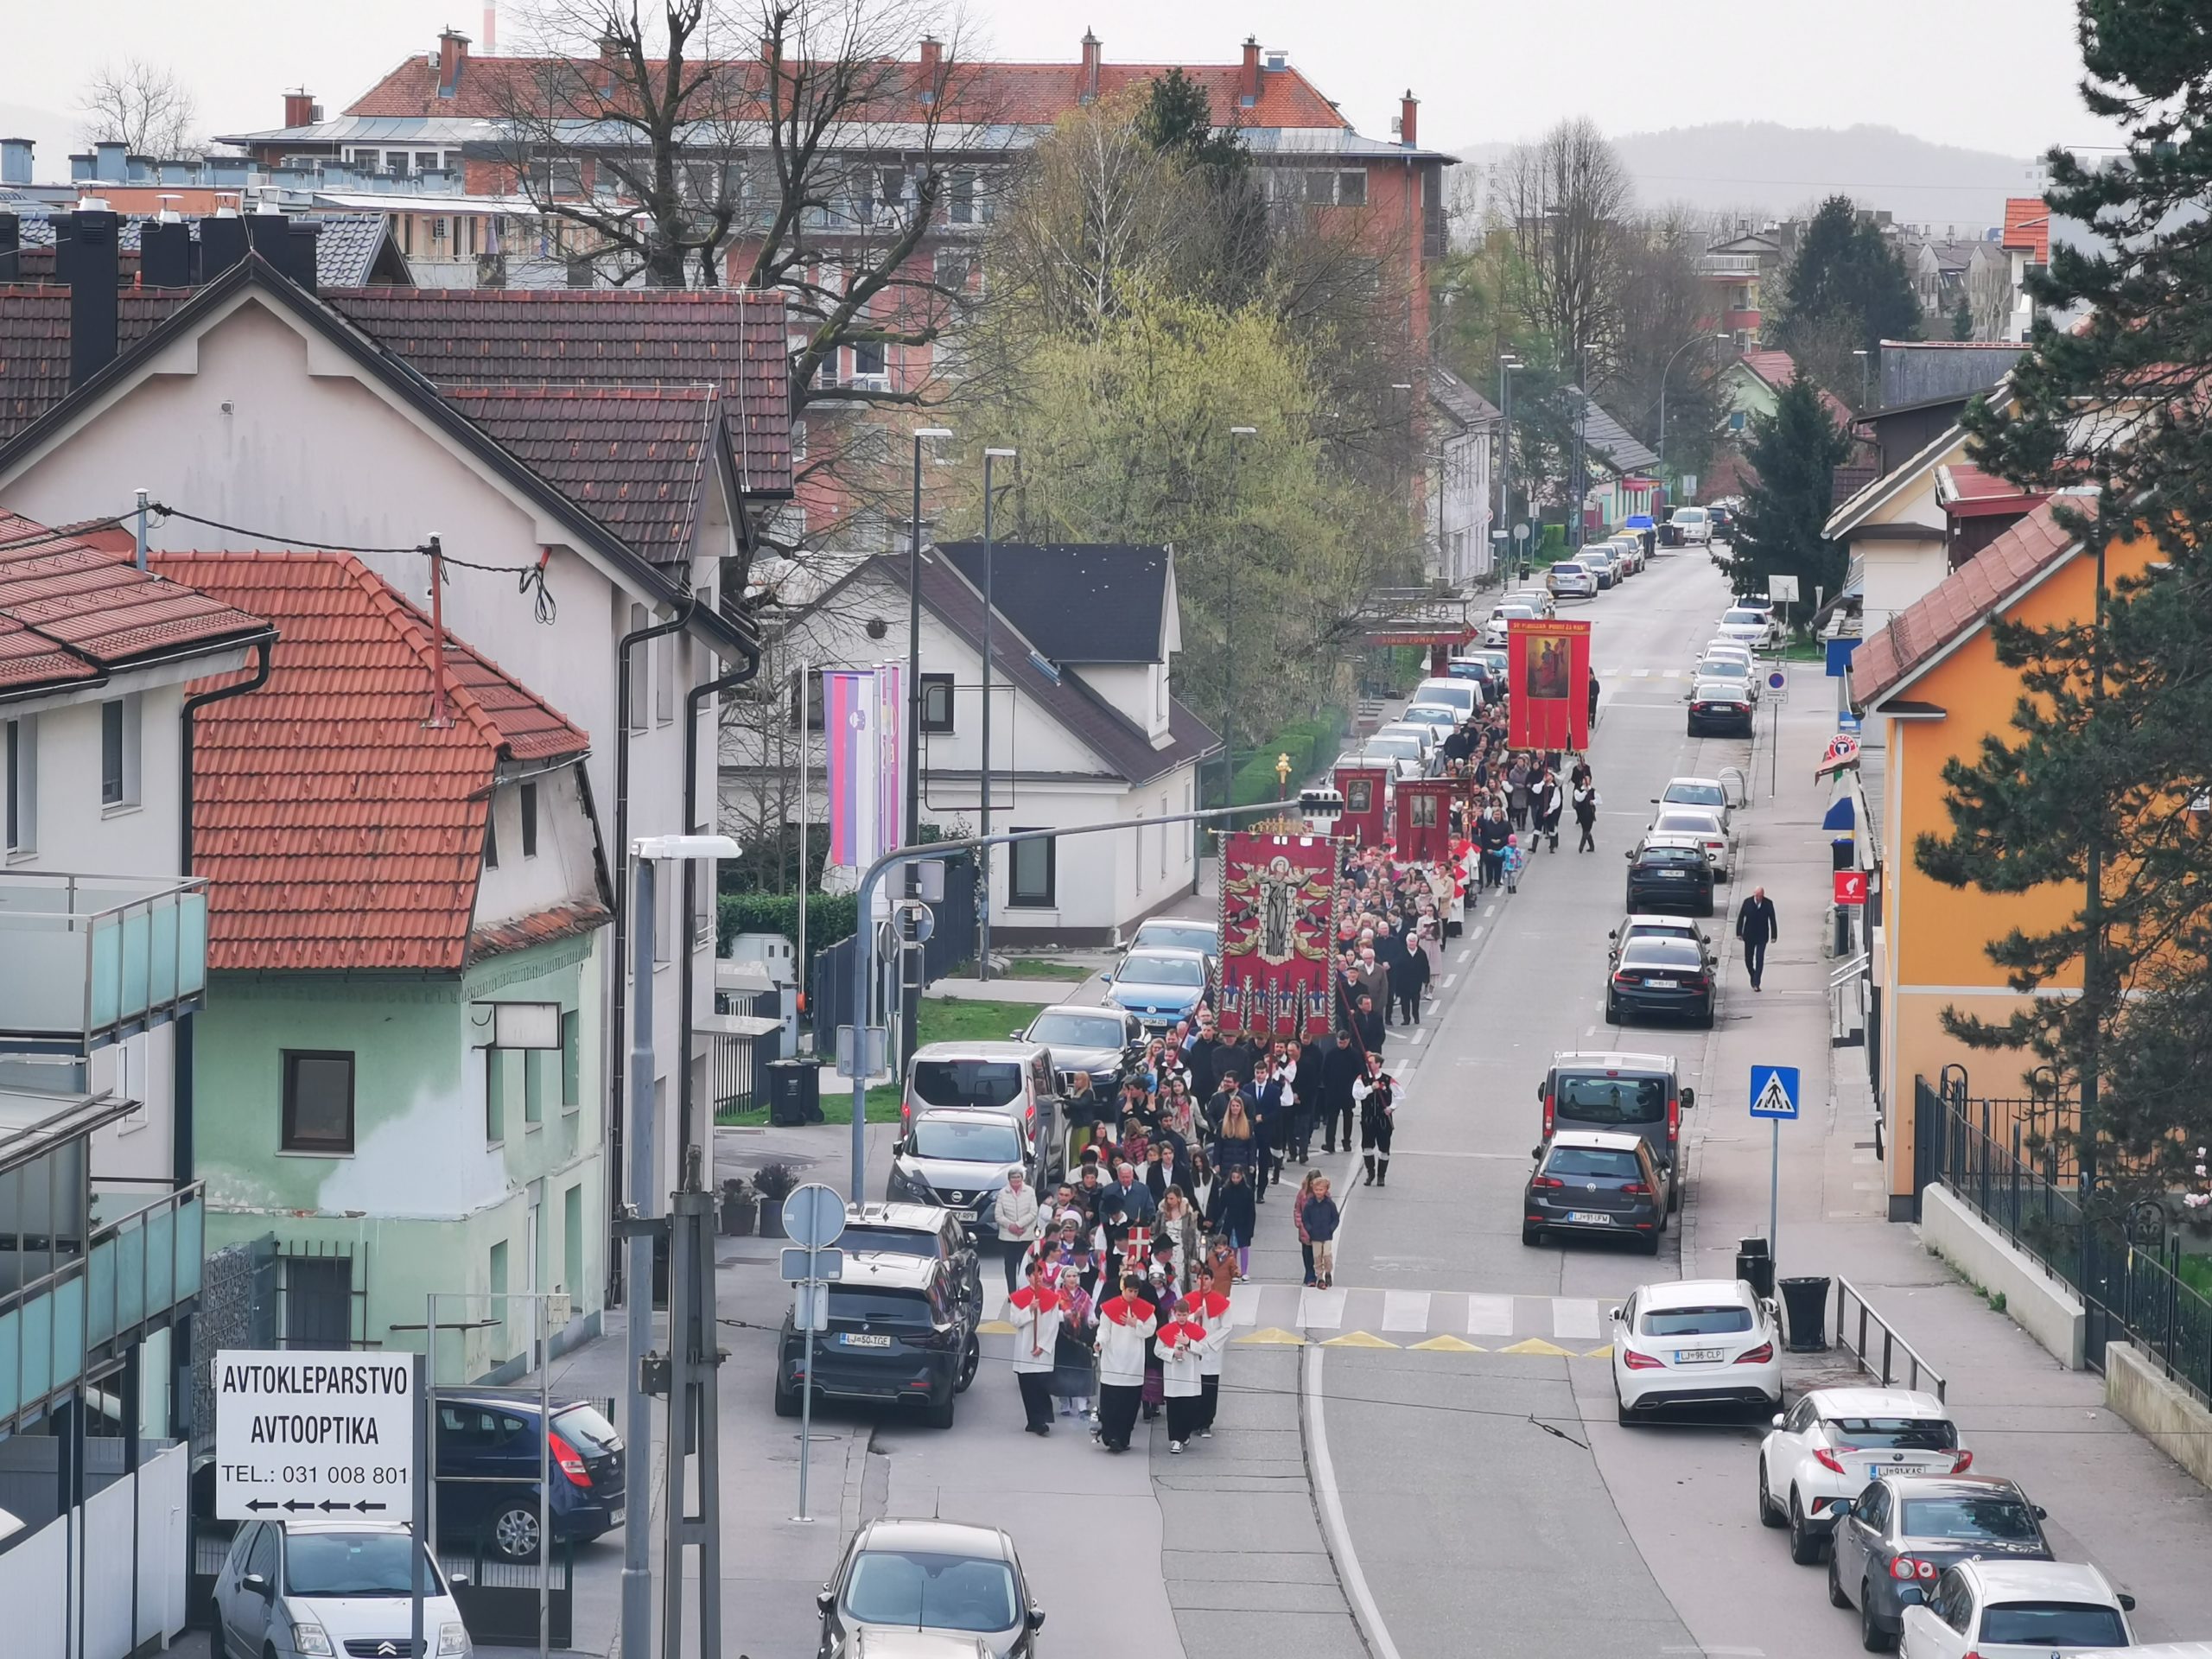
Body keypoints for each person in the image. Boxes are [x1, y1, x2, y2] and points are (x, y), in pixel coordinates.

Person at [1092, 1275, 1156, 1453]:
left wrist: (1137, 1324)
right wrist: (1099, 1342)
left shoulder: (1145, 1308)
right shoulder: (1109, 1307)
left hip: (1133, 1362)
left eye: (1136, 1291)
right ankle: (1111, 1437)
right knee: (1111, 1404)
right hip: (1113, 1361)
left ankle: (1124, 1438)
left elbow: (1150, 1330)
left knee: (1129, 1405)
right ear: (1123, 1289)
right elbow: (1104, 1330)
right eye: (1130, 1291)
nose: (1133, 1295)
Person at [1007, 1261, 1067, 1435]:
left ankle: (1041, 1421)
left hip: (1043, 1350)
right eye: (1034, 1274)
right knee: (1028, 1387)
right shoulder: (1019, 1297)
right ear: (1028, 1277)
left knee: (1041, 1386)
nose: (1038, 1277)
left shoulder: (1051, 1297)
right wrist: (1029, 1309)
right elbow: (1015, 1321)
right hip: (1025, 1348)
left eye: (1040, 1274)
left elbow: (1053, 1325)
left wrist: (1042, 1345)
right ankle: (1032, 1420)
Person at [1188, 1270, 1234, 1438]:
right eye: (1201, 1278)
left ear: (1212, 1281)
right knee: (1193, 1388)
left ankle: (1206, 1423)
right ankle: (1192, 1421)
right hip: (1193, 1349)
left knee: (1209, 1388)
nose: (1203, 1282)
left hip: (1211, 1350)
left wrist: (1209, 1342)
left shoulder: (1220, 1302)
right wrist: (1195, 1315)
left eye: (1206, 1278)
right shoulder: (1189, 1299)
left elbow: (1227, 1326)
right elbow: (1179, 1320)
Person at [1157, 1308, 1207, 1453]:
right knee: (1174, 1411)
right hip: (1173, 1378)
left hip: (1190, 1378)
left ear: (1188, 1314)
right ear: (1175, 1314)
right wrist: (1172, 1352)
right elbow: (1157, 1350)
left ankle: (1184, 1435)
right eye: (1179, 1315)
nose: (1181, 1318)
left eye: (1184, 1315)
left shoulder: (1196, 1330)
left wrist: (1189, 1342)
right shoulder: (1167, 1330)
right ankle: (1176, 1440)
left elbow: (1204, 1349)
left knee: (1189, 1410)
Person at [992, 1167, 1040, 1294]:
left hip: (1026, 1235)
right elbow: (998, 1215)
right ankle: (1012, 1293)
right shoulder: (1003, 1193)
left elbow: (1033, 1212)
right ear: (1009, 1180)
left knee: (1025, 1266)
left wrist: (1019, 1225)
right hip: (1008, 1237)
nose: (1016, 1180)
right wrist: (1011, 1226)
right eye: (1013, 1178)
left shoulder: (1030, 1191)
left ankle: (1024, 1292)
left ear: (1022, 1178)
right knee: (1010, 1266)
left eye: (1018, 1177)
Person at [1206, 1164, 1257, 1281]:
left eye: (1237, 1177)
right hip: (1230, 1222)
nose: (1235, 1180)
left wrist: (1251, 1228)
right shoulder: (1226, 1190)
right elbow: (1221, 1207)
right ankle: (1234, 1271)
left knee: (1244, 1248)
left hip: (1243, 1222)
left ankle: (1244, 1272)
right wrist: (1213, 1220)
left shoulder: (1247, 1191)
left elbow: (1251, 1211)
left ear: (1242, 1177)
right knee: (1232, 1248)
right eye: (1233, 1177)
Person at [1354, 1058, 1397, 1186]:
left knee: (1384, 1149)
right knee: (1367, 1147)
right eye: (1367, 1062)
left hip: (1383, 1120)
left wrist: (1391, 1107)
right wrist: (1370, 1088)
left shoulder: (1387, 1079)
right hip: (1368, 1119)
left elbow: (1400, 1095)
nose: (1368, 1064)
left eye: (1371, 1062)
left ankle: (1381, 1176)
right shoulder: (1362, 1078)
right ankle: (1370, 1173)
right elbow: (1356, 1094)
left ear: (1378, 1064)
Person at [1322, 1027, 1362, 1154]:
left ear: (1348, 1041)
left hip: (1348, 1092)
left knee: (1348, 1118)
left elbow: (1360, 1072)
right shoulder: (1331, 1054)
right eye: (1340, 1042)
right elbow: (1325, 1072)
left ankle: (1347, 1142)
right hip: (1333, 1092)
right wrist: (1328, 1087)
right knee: (1332, 1119)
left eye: (1344, 1042)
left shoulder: (1354, 1054)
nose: (1341, 1044)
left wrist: (1355, 1087)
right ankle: (1330, 1143)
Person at [1737, 885, 1780, 991]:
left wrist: (1774, 936)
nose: (1759, 898)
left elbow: (1772, 920)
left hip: (1762, 936)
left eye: (1760, 896)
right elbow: (1741, 917)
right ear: (1754, 894)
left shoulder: (1768, 904)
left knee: (1760, 959)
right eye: (1757, 896)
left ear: (1763, 895)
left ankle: (1756, 983)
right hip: (1749, 936)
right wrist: (1739, 933)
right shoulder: (1747, 902)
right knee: (1748, 960)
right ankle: (1753, 975)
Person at [1304, 1175, 1342, 1288]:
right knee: (1317, 1256)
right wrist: (1310, 1229)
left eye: (1321, 1190)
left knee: (1327, 1254)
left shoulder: (1329, 1204)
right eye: (1316, 1190)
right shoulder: (1310, 1204)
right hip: (1315, 1235)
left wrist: (1331, 1228)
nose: (1318, 1192)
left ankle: (1328, 1272)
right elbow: (1306, 1219)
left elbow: (1335, 1218)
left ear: (1326, 1190)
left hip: (1327, 1234)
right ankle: (1320, 1277)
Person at [1292, 1168, 1323, 1287]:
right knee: (1307, 1253)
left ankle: (1315, 1275)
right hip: (1305, 1228)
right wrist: (1299, 1223)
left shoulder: (1323, 1194)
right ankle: (1310, 1275)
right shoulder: (1302, 1194)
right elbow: (1297, 1209)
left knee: (1318, 1254)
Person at [1532, 767, 1564, 854]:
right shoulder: (1542, 786)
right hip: (1541, 810)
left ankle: (1552, 846)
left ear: (1552, 777)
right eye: (1546, 774)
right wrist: (1543, 781)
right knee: (1537, 828)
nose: (1547, 776)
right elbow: (1535, 790)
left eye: (1549, 775)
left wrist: (1549, 811)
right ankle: (1533, 847)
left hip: (1550, 812)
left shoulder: (1555, 789)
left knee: (1551, 829)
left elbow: (1556, 801)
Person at [1572, 773, 1599, 854]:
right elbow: (1579, 798)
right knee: (1586, 829)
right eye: (1584, 779)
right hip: (1581, 813)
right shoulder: (1578, 790)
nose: (1586, 781)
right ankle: (1592, 846)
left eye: (1587, 780)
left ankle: (1581, 846)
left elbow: (1599, 800)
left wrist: (1593, 802)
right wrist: (1585, 792)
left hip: (1590, 813)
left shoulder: (1593, 791)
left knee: (1586, 830)